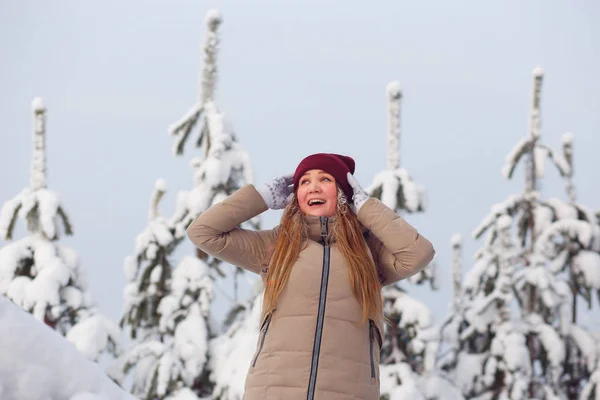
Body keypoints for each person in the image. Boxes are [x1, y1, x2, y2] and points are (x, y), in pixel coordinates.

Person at [186, 153, 435, 400]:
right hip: (272, 391)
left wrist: (366, 207)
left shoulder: (368, 252)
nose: (313, 187)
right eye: (304, 182)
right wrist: (260, 198)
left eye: (325, 179)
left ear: (343, 193)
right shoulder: (276, 246)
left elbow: (418, 253)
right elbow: (203, 232)